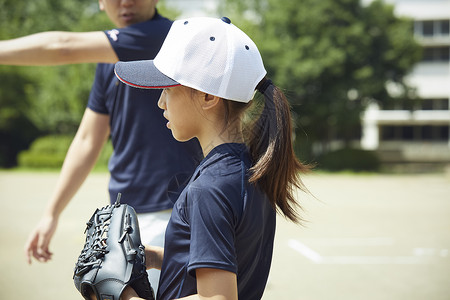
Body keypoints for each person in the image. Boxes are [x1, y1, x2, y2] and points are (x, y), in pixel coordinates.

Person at [0, 0, 202, 292]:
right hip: (124, 216)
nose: (126, 2)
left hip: (171, 209)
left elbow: (62, 45)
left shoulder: (166, 37)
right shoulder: (108, 61)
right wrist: (51, 213)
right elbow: (87, 139)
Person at [114, 16, 311, 300]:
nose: (160, 102)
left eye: (168, 88)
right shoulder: (249, 170)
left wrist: (125, 298)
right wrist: (149, 257)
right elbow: (223, 252)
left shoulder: (209, 189)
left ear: (207, 96)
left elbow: (217, 298)